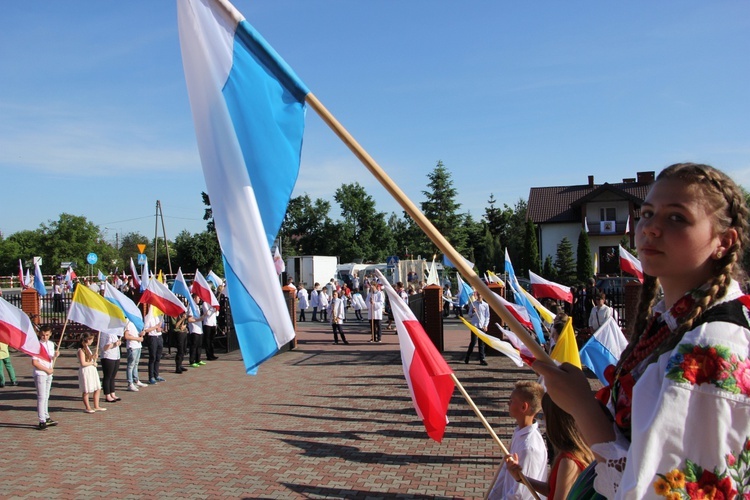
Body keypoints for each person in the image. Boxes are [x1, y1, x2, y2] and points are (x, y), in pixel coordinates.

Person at [534, 163, 750, 498]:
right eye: (647, 213)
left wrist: (580, 405)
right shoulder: (676, 322)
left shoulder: (708, 349)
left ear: (724, 241)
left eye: (677, 217)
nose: (650, 228)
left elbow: (661, 488)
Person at [506, 394, 594, 499]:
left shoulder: (568, 461)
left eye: (544, 416)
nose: (543, 422)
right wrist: (521, 478)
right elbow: (550, 490)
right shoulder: (573, 452)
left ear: (554, 422)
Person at [486, 381, 548, 500]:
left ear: (524, 407)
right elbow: (504, 473)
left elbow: (520, 494)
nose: (508, 403)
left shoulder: (529, 448)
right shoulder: (519, 432)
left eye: (511, 401)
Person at [32, 325, 59, 430]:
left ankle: (46, 416)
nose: (45, 337)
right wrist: (46, 370)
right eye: (43, 335)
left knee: (46, 395)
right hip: (40, 373)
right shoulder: (36, 345)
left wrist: (55, 356)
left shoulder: (51, 344)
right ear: (39, 334)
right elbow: (34, 362)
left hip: (49, 373)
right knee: (41, 396)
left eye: (47, 335)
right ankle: (41, 419)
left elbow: (50, 357)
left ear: (50, 334)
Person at [76, 332, 105, 413]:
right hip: (86, 370)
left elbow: (88, 358)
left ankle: (96, 406)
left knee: (97, 388)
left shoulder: (87, 348)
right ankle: (87, 407)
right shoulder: (81, 350)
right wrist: (92, 363)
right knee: (86, 389)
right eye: (91, 339)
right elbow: (83, 363)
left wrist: (93, 357)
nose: (92, 341)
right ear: (87, 340)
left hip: (92, 370)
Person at [464, 292, 489, 365]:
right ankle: (467, 357)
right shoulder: (473, 304)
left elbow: (487, 316)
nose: (479, 296)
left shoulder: (486, 305)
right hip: (475, 325)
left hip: (482, 325)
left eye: (480, 295)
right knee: (473, 342)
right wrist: (473, 312)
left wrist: (486, 325)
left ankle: (482, 359)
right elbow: (469, 315)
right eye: (478, 295)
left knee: (481, 343)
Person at [143, 306, 165, 385]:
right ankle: (151, 376)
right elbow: (146, 330)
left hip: (159, 337)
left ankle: (156, 374)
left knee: (158, 357)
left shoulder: (160, 316)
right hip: (152, 338)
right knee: (153, 357)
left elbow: (162, 327)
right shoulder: (148, 317)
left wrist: (161, 329)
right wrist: (155, 327)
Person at [123, 322, 147, 391]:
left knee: (136, 364)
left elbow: (135, 334)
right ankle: (130, 383)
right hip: (132, 347)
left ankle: (136, 380)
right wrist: (137, 338)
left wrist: (141, 334)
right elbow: (126, 336)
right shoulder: (128, 323)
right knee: (131, 365)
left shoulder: (136, 322)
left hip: (138, 346)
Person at [100, 328, 122, 402]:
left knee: (113, 376)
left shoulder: (114, 331)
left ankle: (112, 393)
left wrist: (118, 343)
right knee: (107, 376)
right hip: (108, 356)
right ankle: (107, 395)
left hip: (116, 356)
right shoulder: (104, 332)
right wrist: (113, 344)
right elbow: (103, 347)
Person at [188, 294, 206, 368]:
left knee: (199, 345)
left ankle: (198, 359)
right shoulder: (191, 306)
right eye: (198, 297)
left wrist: (203, 316)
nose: (199, 299)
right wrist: (198, 319)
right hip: (194, 330)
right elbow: (189, 319)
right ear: (194, 298)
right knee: (194, 346)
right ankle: (192, 361)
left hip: (199, 329)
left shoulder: (197, 306)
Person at [172, 307, 189, 374]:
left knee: (184, 350)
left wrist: (185, 326)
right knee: (180, 350)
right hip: (178, 333)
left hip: (184, 332)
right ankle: (178, 366)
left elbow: (185, 323)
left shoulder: (182, 313)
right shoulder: (173, 314)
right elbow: (176, 326)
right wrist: (182, 318)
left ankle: (181, 364)